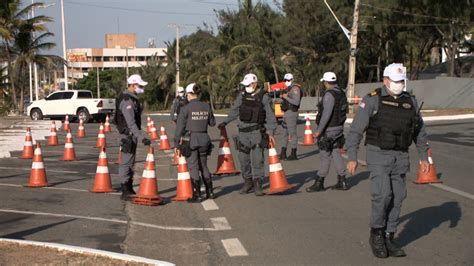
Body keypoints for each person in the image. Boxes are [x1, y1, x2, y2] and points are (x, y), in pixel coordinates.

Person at [346, 63, 430, 258]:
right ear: (385, 81)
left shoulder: (411, 101)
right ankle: (376, 233)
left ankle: (389, 235)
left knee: (398, 196)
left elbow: (419, 131)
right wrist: (352, 157)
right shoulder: (373, 100)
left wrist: (424, 157)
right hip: (378, 154)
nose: (400, 84)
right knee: (383, 195)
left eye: (402, 81)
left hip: (400, 155)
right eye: (396, 81)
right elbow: (356, 130)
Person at [218, 73, 277, 196]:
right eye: (245, 85)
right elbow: (234, 110)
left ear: (254, 84)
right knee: (243, 160)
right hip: (243, 134)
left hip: (257, 133)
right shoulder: (242, 95)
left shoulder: (264, 97)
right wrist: (225, 122)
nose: (246, 87)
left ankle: (258, 184)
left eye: (248, 85)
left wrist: (271, 132)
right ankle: (248, 182)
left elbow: (271, 117)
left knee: (257, 160)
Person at [306, 72, 348, 192]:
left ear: (326, 82)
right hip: (338, 128)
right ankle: (342, 180)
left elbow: (326, 115)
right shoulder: (341, 93)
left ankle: (319, 183)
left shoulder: (329, 95)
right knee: (335, 152)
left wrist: (319, 131)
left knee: (325, 156)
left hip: (329, 130)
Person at [174, 83, 216, 202]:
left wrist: (176, 144)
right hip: (204, 139)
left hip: (191, 140)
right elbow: (212, 123)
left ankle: (197, 195)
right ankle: (210, 192)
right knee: (204, 166)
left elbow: (179, 129)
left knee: (193, 167)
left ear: (188, 94)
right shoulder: (206, 106)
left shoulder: (185, 109)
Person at [115, 74, 151, 200]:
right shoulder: (127, 101)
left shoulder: (131, 99)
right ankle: (125, 190)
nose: (141, 88)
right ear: (133, 85)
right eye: (140, 86)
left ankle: (129, 188)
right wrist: (141, 137)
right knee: (126, 163)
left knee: (130, 163)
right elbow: (131, 123)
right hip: (127, 136)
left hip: (130, 136)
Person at [279, 73, 302, 160]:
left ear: (292, 80)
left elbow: (296, 102)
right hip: (286, 112)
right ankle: (283, 153)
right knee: (284, 133)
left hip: (292, 112)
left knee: (292, 134)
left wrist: (286, 97)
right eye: (285, 80)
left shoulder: (295, 88)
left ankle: (293, 153)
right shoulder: (289, 88)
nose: (287, 82)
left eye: (288, 80)